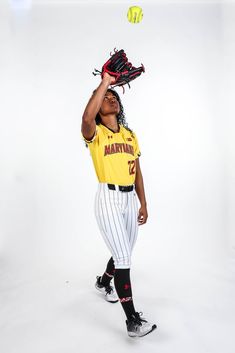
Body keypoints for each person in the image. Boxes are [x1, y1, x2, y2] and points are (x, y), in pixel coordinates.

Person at [81, 72, 157, 337]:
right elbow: (86, 118)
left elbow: (137, 171)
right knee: (123, 256)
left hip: (129, 198)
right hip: (109, 198)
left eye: (114, 97)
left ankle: (104, 282)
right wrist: (104, 83)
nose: (112, 99)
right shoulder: (96, 132)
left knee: (123, 250)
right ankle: (132, 321)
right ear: (98, 103)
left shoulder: (129, 134)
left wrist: (143, 203)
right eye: (106, 98)